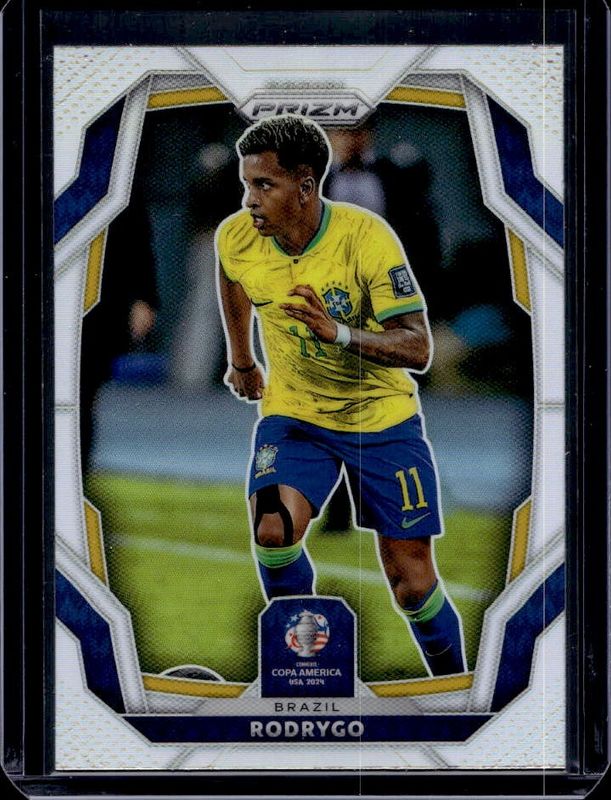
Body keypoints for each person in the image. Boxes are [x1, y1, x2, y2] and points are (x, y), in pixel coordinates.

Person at [215, 115, 466, 677]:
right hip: (295, 415)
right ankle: (304, 665)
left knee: (411, 583)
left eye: (264, 185)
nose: (249, 200)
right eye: (247, 184)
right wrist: (242, 359)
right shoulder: (237, 235)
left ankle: (455, 686)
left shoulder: (366, 239)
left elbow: (418, 347)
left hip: (380, 421)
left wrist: (340, 334)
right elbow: (232, 276)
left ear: (305, 187)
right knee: (273, 530)